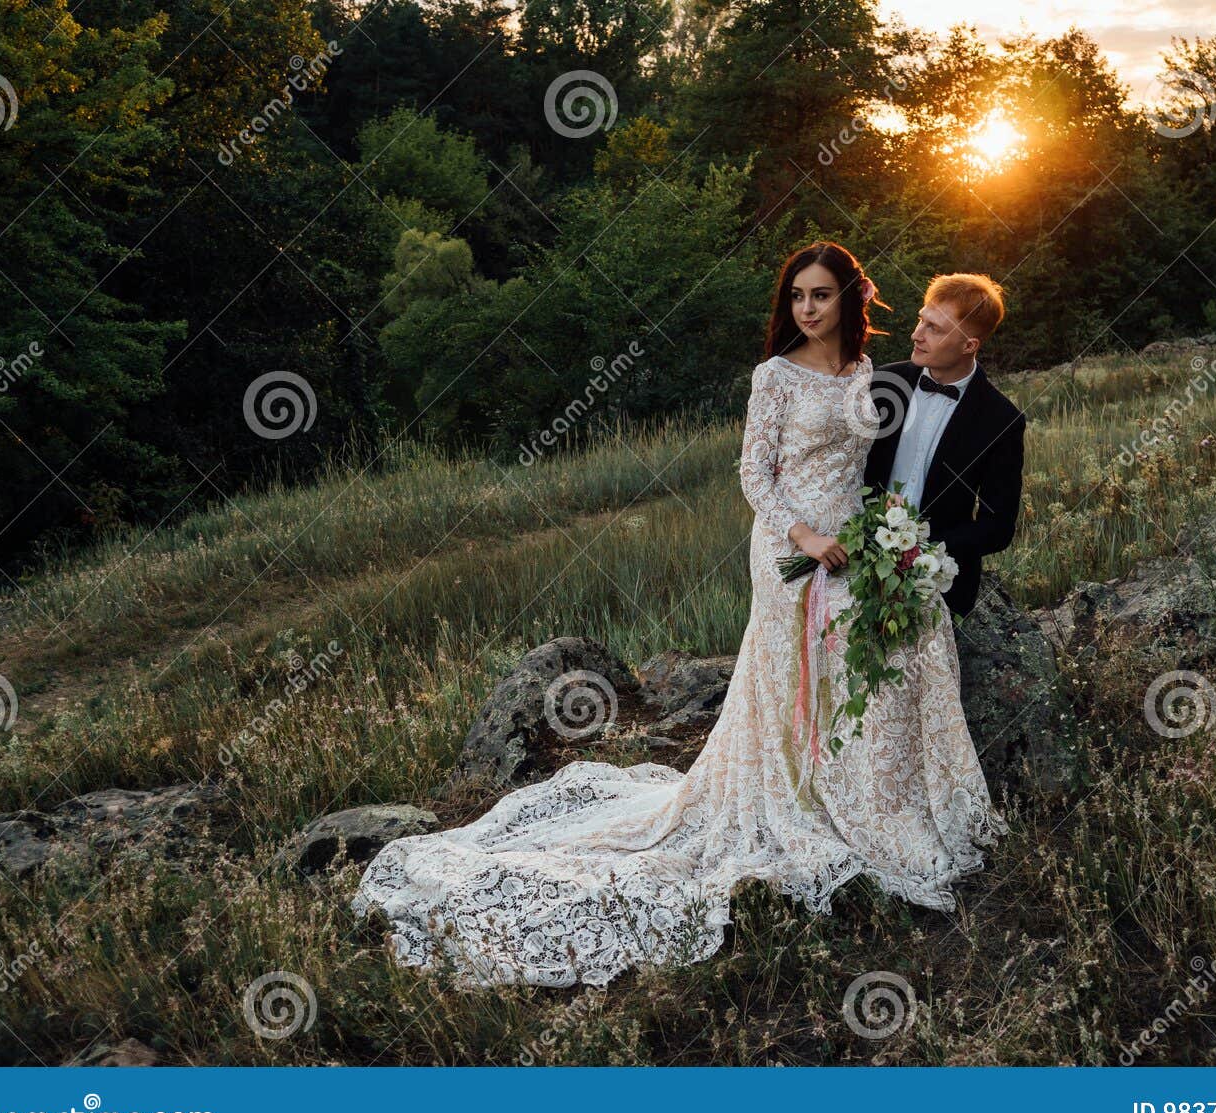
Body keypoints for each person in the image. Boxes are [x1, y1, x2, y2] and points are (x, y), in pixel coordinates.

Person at [352, 241, 1008, 988]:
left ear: (849, 301)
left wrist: (877, 536)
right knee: (797, 658)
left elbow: (896, 453)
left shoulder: (868, 373)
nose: (806, 307)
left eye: (821, 295)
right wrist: (804, 535)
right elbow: (753, 474)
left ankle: (870, 793)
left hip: (852, 535)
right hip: (792, 541)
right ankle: (793, 793)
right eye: (797, 294)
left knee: (883, 648)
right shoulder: (775, 376)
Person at [863, 274, 1026, 624]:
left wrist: (921, 546)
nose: (916, 334)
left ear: (969, 345)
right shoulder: (880, 384)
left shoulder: (1002, 420)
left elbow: (998, 527)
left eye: (934, 328)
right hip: (857, 571)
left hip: (939, 589)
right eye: (921, 320)